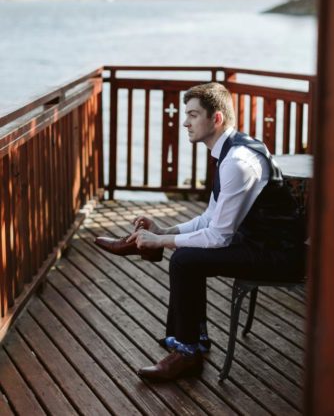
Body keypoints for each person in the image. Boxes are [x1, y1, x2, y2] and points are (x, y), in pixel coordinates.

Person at [95, 82, 306, 381]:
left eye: (193, 115)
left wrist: (163, 240)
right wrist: (165, 230)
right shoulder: (230, 151)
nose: (185, 122)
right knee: (185, 256)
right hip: (260, 241)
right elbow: (211, 216)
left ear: (216, 118)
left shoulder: (237, 162)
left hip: (280, 254)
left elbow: (219, 236)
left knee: (185, 260)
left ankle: (187, 352)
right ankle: (189, 342)